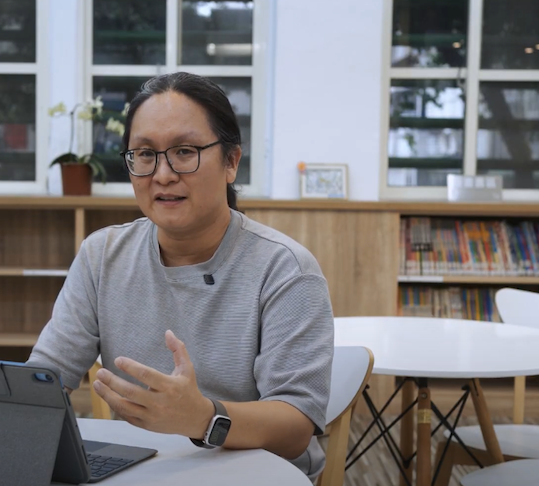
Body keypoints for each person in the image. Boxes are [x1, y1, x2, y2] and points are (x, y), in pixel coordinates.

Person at [30, 72, 334, 482]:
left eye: (185, 151)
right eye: (145, 154)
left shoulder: (285, 270)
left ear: (231, 162)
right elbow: (44, 380)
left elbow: (295, 427)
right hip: (142, 472)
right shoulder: (102, 256)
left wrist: (204, 418)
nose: (163, 175)